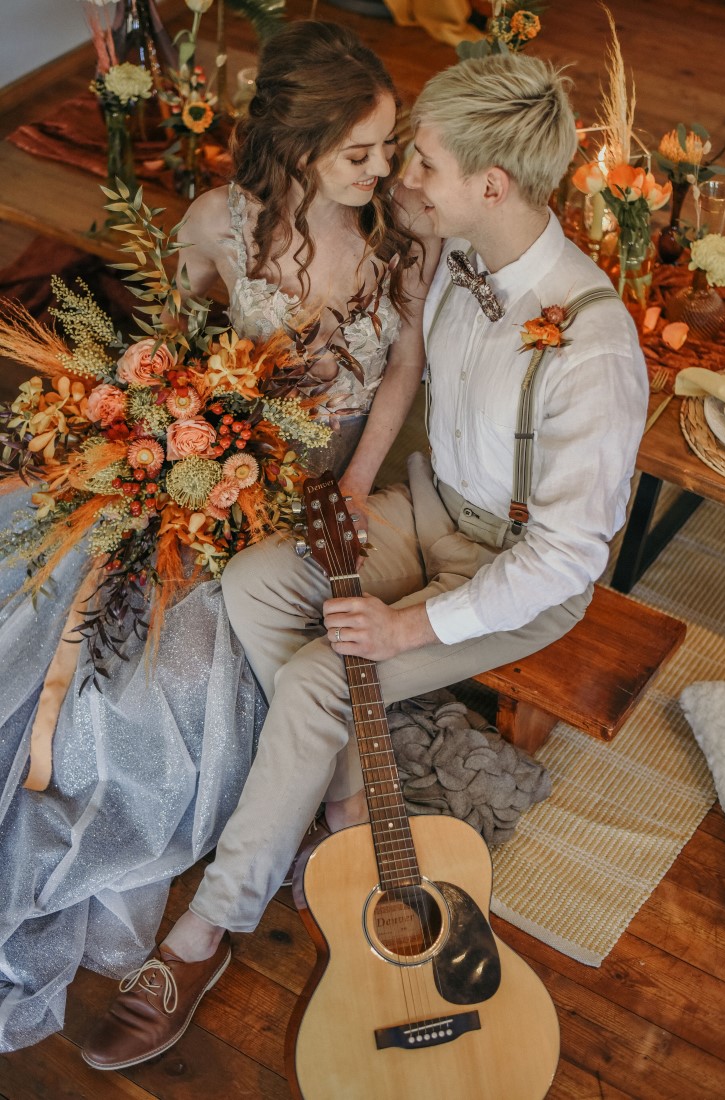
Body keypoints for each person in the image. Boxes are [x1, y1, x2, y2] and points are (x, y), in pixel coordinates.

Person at [82, 50, 648, 1072]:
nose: (398, 179)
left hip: (518, 571)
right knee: (253, 580)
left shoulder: (594, 352)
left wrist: (406, 625)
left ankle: (200, 933)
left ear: (490, 187)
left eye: (418, 163)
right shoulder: (445, 249)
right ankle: (344, 796)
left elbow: (563, 556)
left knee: (312, 674)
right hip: (429, 504)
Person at [0, 21, 430, 1053]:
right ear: (293, 148)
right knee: (77, 638)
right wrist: (159, 449)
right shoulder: (218, 224)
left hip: (306, 501)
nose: (381, 170)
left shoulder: (399, 241)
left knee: (176, 674)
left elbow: (401, 370)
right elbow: (163, 351)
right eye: (358, 153)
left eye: (385, 147)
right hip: (190, 476)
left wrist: (360, 480)